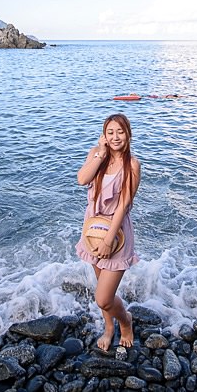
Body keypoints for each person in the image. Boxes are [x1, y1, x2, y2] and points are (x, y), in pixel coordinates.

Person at [76, 113, 141, 357]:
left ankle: (125, 322)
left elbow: (124, 204)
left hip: (116, 234)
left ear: (128, 134)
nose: (115, 137)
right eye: (110, 132)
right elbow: (82, 179)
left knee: (103, 298)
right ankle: (108, 327)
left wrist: (108, 240)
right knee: (102, 285)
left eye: (120, 132)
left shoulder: (132, 164)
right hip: (92, 229)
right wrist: (101, 153)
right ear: (104, 135)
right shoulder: (97, 153)